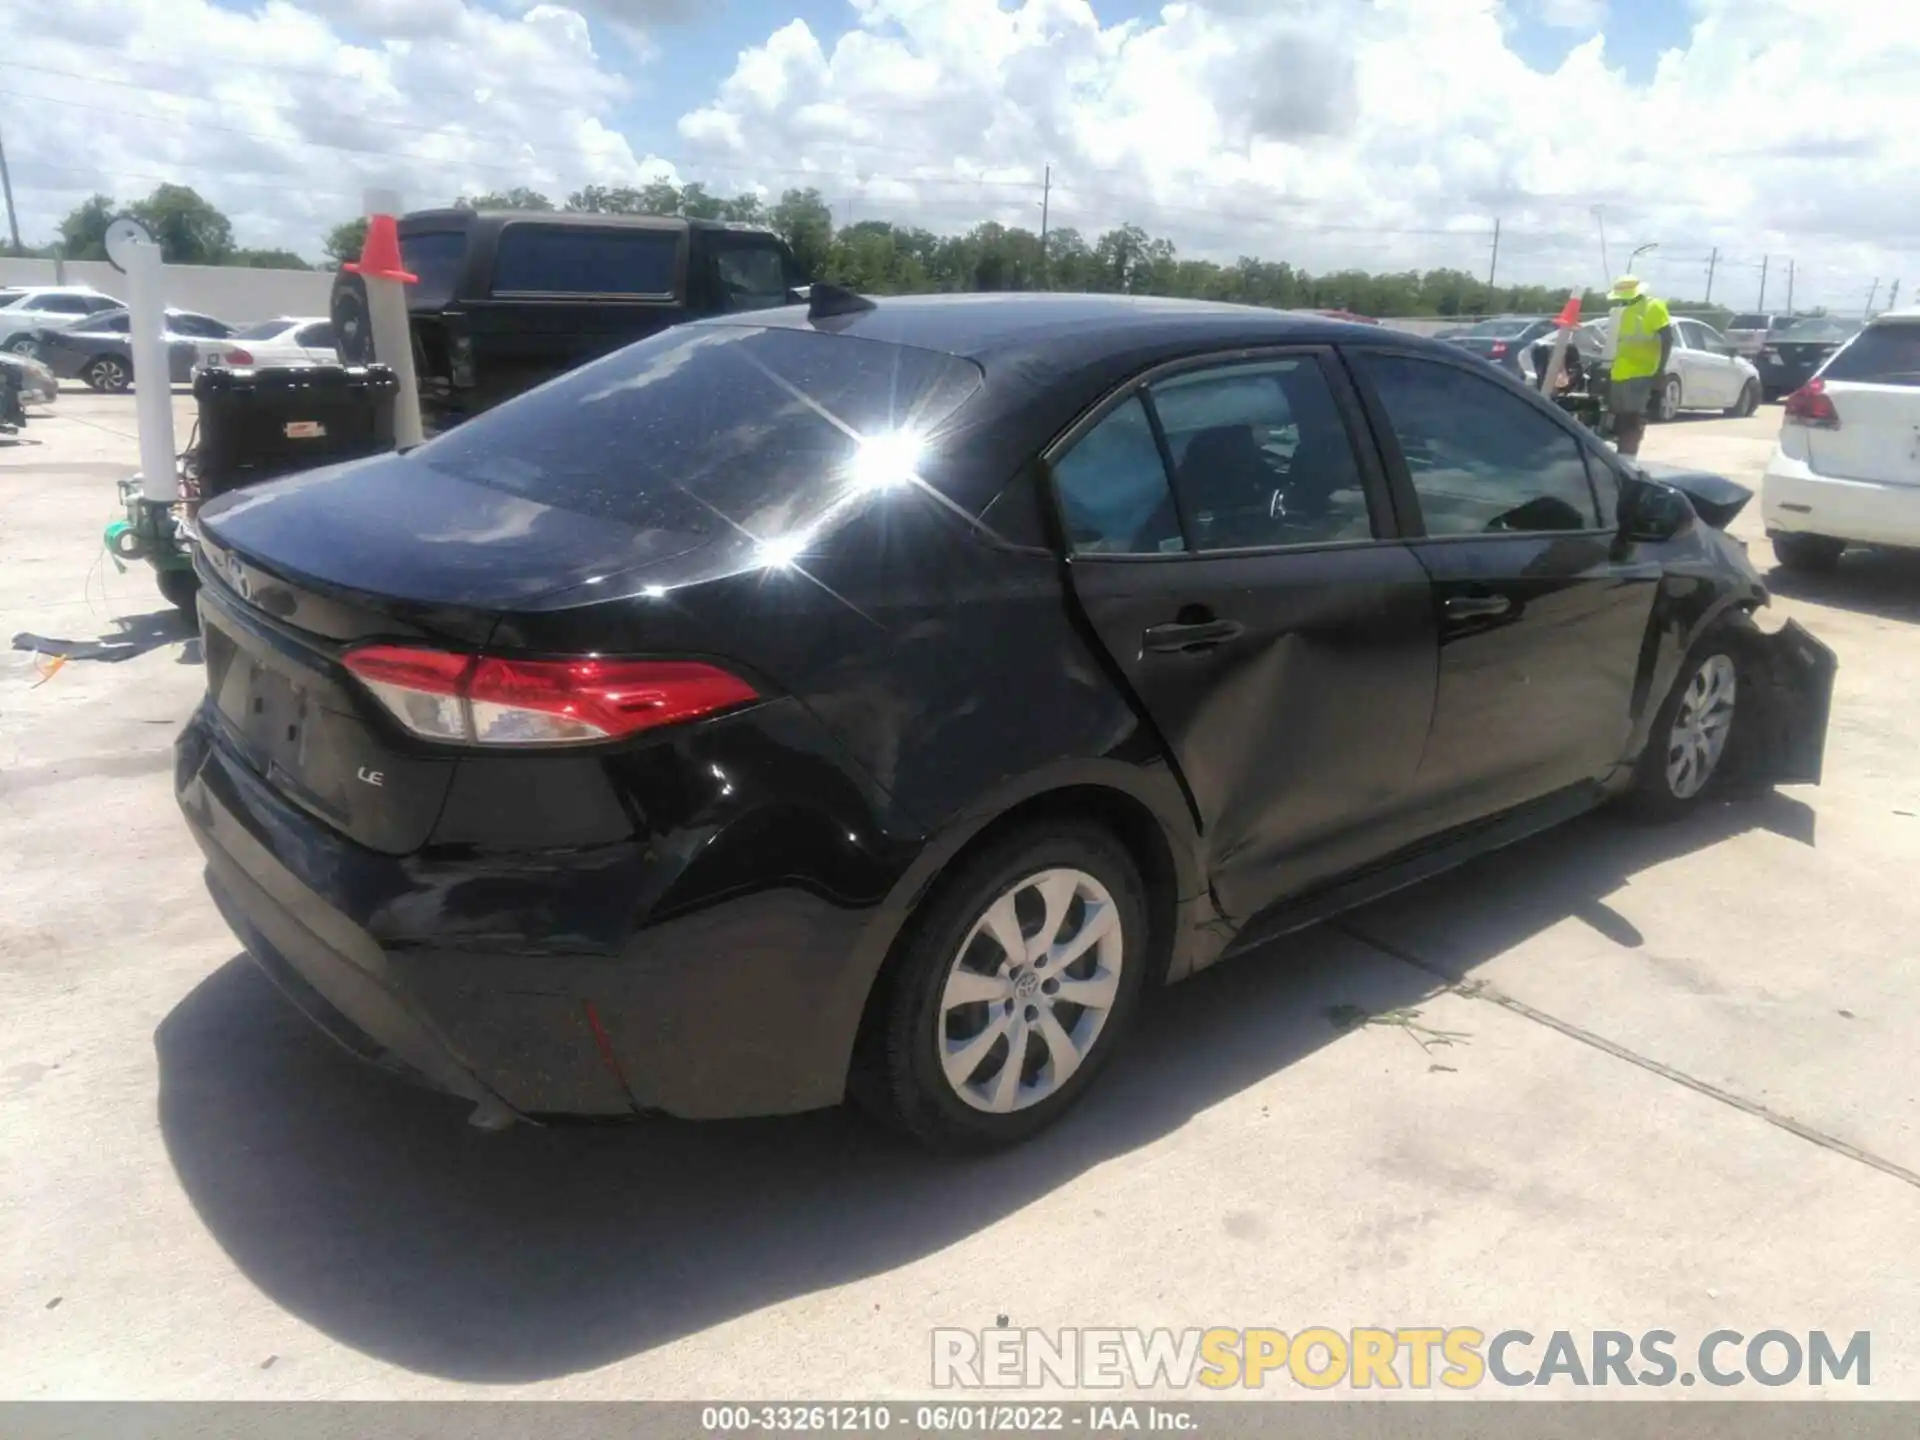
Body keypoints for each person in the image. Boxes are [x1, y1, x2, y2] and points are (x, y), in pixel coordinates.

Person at [1605, 275, 1673, 457]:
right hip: (1620, 372)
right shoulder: (1625, 311)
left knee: (1632, 418)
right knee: (1619, 418)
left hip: (1641, 373)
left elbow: (1667, 338)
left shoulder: (1654, 307)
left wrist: (1660, 370)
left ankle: (1628, 458)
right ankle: (1621, 456)